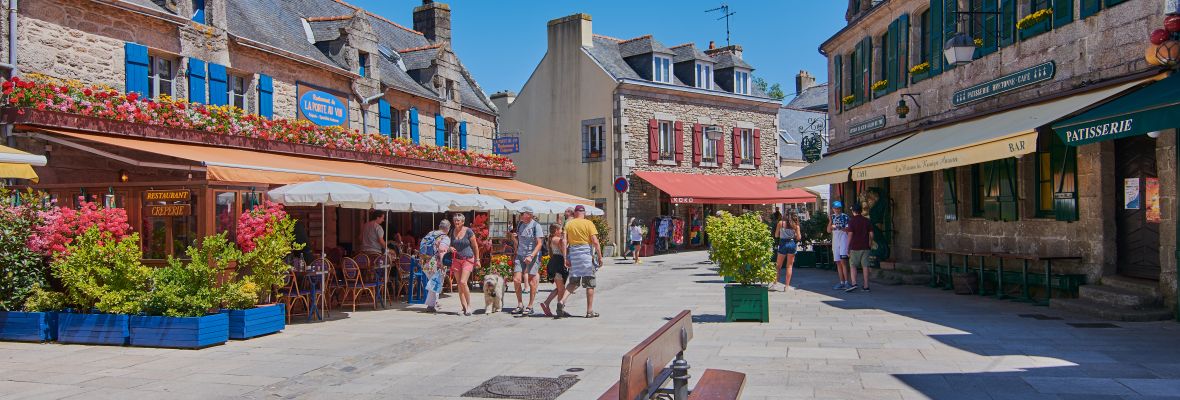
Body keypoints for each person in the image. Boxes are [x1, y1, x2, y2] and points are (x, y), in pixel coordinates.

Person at [558, 205, 602, 319]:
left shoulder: (568, 224)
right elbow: (595, 242)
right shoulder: (589, 223)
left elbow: (563, 241)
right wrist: (600, 257)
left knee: (573, 283)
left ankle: (562, 301)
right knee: (590, 284)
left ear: (575, 213)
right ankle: (589, 311)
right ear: (584, 213)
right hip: (586, 256)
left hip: (574, 255)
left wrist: (565, 258)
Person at [511, 206, 545, 316]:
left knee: (531, 281)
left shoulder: (536, 226)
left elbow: (539, 243)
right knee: (516, 280)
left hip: (533, 256)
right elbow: (519, 242)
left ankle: (530, 306)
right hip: (520, 255)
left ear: (529, 215)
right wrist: (514, 238)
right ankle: (520, 304)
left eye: (522, 214)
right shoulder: (520, 224)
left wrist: (531, 256)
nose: (520, 216)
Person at [449, 213, 480, 315]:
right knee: (459, 284)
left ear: (463, 222)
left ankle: (469, 306)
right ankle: (464, 307)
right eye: (455, 221)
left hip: (468, 259)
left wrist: (478, 260)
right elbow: (450, 244)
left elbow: (475, 246)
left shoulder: (468, 231)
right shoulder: (452, 231)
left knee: (463, 282)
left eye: (458, 221)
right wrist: (450, 248)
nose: (456, 222)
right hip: (456, 260)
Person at [423, 220, 452, 313]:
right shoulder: (445, 237)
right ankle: (430, 305)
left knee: (434, 281)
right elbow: (441, 250)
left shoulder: (430, 233)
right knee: (435, 282)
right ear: (448, 228)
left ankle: (434, 302)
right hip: (436, 263)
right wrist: (443, 263)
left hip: (425, 261)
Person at [539, 224, 567, 317]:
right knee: (561, 288)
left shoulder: (553, 239)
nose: (562, 231)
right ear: (556, 230)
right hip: (558, 263)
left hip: (556, 262)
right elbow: (563, 244)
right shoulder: (556, 239)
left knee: (560, 288)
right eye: (560, 230)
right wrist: (566, 236)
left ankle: (558, 307)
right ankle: (550, 304)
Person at [845, 203, 873, 293]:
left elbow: (850, 234)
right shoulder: (867, 220)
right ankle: (866, 286)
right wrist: (870, 243)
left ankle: (854, 283)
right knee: (865, 266)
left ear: (853, 211)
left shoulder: (852, 221)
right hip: (865, 247)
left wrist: (847, 247)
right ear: (861, 211)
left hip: (855, 246)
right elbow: (871, 234)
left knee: (853, 266)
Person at [774, 212, 801, 291]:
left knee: (778, 266)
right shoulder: (796, 225)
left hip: (783, 243)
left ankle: (775, 284)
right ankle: (787, 286)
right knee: (789, 266)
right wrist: (794, 234)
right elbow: (799, 237)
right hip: (792, 243)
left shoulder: (780, 223)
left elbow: (776, 235)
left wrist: (782, 233)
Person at [828, 201, 852, 290]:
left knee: (843, 261)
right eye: (835, 208)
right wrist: (830, 222)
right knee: (838, 262)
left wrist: (839, 227)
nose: (837, 210)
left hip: (843, 240)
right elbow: (828, 230)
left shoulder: (845, 217)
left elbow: (848, 229)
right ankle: (841, 282)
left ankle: (846, 282)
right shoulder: (832, 217)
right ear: (833, 209)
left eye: (838, 208)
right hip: (835, 240)